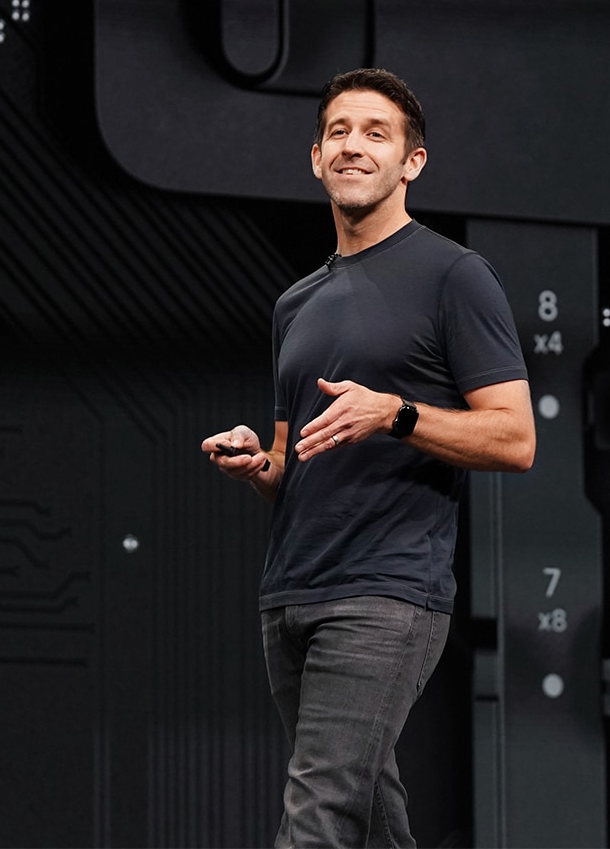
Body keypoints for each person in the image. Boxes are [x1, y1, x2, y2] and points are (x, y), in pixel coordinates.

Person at [201, 68, 535, 847]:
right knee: (369, 813)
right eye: (340, 133)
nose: (355, 146)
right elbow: (291, 459)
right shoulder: (296, 304)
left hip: (386, 593)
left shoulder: (454, 276)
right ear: (316, 157)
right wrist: (258, 463)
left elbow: (515, 438)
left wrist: (398, 413)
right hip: (289, 595)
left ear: (411, 163)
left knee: (317, 818)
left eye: (376, 134)